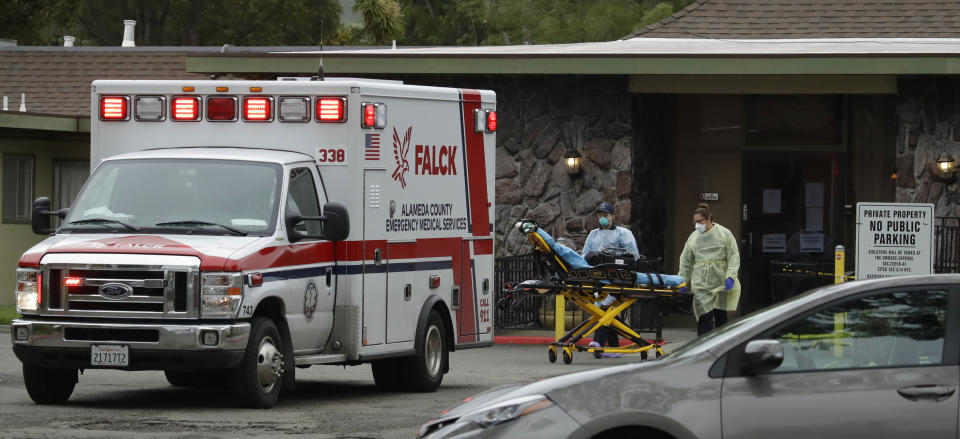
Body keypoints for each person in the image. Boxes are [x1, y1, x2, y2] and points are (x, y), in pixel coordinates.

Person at [582, 202, 640, 357]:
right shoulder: (593, 234)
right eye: (600, 216)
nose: (602, 219)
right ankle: (614, 348)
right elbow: (585, 255)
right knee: (606, 313)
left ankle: (598, 343)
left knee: (604, 311)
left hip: (617, 278)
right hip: (598, 279)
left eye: (605, 216)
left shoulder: (623, 233)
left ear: (612, 216)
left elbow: (632, 256)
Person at [678, 204, 741, 336]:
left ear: (708, 219)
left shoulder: (724, 234)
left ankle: (720, 345)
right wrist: (682, 281)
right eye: (694, 222)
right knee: (704, 316)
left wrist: (730, 276)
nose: (696, 225)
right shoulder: (693, 238)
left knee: (720, 317)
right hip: (701, 282)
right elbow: (686, 262)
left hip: (720, 281)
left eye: (699, 222)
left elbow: (733, 256)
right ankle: (703, 345)